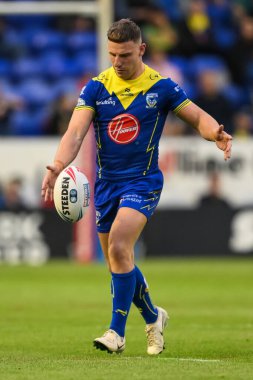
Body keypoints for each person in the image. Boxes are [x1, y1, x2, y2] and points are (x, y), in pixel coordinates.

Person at [41, 19, 232, 355]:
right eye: (113, 54)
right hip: (106, 186)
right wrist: (58, 165)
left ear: (141, 49)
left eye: (125, 55)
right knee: (119, 259)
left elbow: (197, 116)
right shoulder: (96, 88)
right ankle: (153, 316)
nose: (117, 61)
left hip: (142, 182)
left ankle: (116, 333)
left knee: (117, 246)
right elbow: (74, 133)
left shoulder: (161, 87)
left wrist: (215, 132)